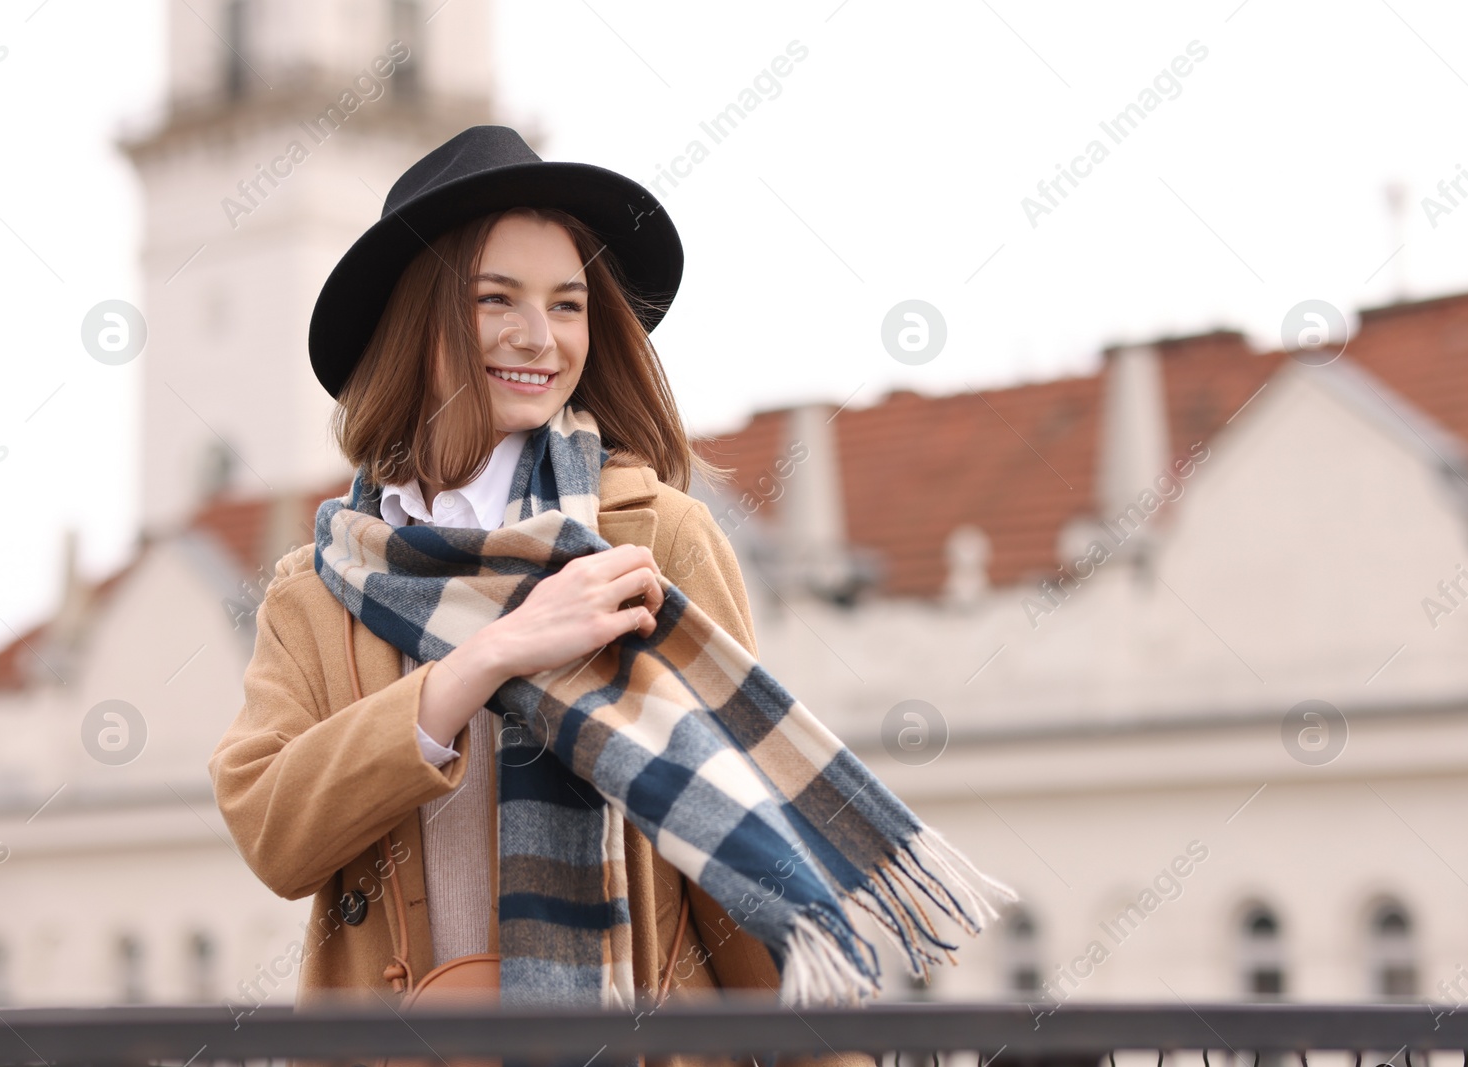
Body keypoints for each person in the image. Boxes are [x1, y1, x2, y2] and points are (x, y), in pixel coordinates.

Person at [211, 125, 1005, 1067]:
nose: (538, 338)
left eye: (568, 303)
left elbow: (737, 846)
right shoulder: (319, 584)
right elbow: (274, 831)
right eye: (494, 298)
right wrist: (489, 657)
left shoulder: (657, 538)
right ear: (413, 319)